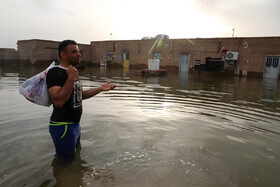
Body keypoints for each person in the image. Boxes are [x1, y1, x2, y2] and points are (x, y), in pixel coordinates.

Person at [46, 40, 116, 158]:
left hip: (75, 125)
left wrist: (100, 88)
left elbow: (80, 95)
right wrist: (71, 78)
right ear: (63, 55)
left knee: (76, 158)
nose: (79, 54)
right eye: (74, 52)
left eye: (79, 52)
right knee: (65, 164)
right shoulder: (55, 72)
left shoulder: (73, 73)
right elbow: (58, 101)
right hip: (63, 126)